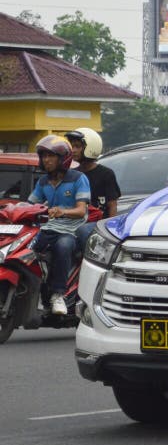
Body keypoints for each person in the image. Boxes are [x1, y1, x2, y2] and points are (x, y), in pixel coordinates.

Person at [27, 135, 90, 316]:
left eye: (51, 156)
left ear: (63, 159)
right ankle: (35, 292)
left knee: (63, 246)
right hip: (48, 228)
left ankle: (58, 295)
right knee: (28, 249)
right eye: (44, 156)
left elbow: (80, 211)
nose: (46, 160)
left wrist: (62, 212)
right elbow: (31, 205)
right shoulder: (43, 181)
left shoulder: (78, 178)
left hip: (71, 230)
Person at [65, 128, 120, 252]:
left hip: (99, 222)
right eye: (72, 146)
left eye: (77, 146)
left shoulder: (106, 174)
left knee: (83, 230)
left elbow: (112, 205)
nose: (73, 150)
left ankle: (94, 263)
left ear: (91, 148)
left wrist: (110, 230)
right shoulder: (72, 174)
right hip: (76, 221)